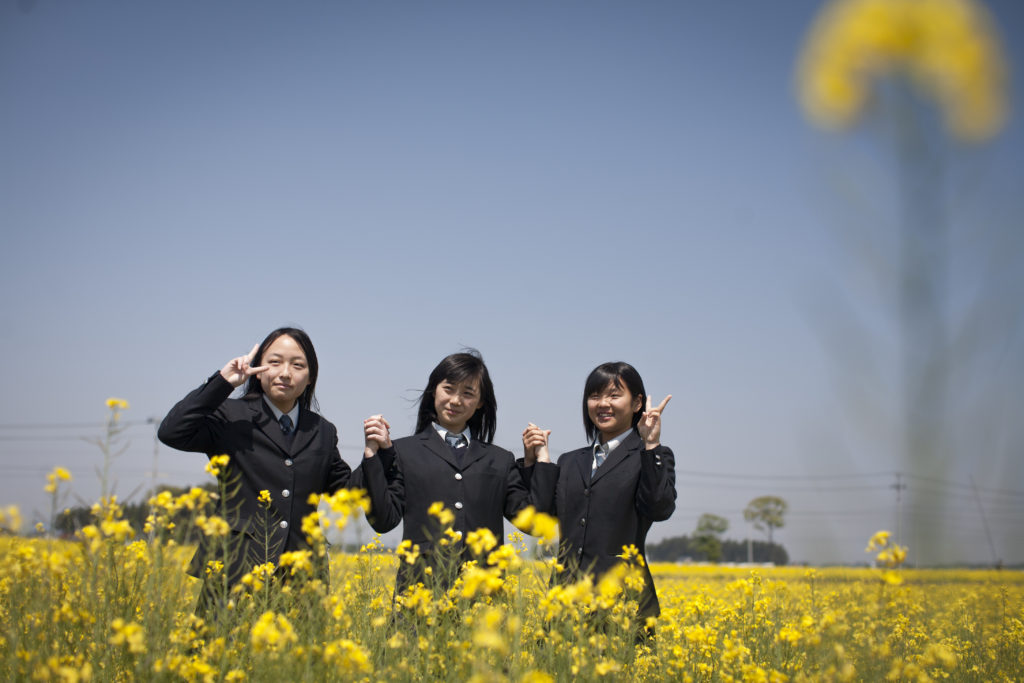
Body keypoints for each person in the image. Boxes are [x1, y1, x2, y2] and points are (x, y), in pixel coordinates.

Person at [157, 327, 351, 614]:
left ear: (310, 377)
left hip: (301, 580)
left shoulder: (322, 431)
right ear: (258, 370)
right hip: (233, 573)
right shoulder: (231, 415)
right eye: (274, 362)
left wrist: (376, 455)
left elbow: (347, 490)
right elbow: (172, 431)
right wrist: (223, 382)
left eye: (297, 365)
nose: (285, 373)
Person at [356, 349, 558, 596]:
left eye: (468, 393)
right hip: (418, 601)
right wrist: (372, 456)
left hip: (483, 603)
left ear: (480, 402)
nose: (455, 400)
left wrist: (539, 461)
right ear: (434, 391)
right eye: (448, 389)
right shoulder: (403, 452)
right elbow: (383, 521)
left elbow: (535, 524)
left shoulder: (499, 460)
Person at [525, 361, 675, 639]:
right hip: (565, 605)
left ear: (637, 402)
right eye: (595, 396)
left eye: (614, 395)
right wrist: (541, 460)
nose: (603, 404)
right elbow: (539, 520)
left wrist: (651, 444)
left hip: (624, 604)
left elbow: (660, 507)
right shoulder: (571, 461)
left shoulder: (651, 456)